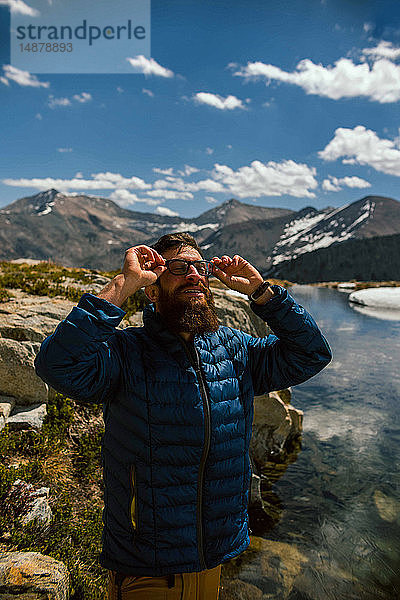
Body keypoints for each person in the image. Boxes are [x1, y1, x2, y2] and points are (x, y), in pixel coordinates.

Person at [35, 232, 331, 600]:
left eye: (199, 267)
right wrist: (122, 284)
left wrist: (263, 293)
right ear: (153, 290)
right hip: (149, 566)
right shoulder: (126, 352)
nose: (193, 274)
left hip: (215, 556)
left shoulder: (234, 348)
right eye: (177, 268)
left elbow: (312, 354)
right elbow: (56, 365)